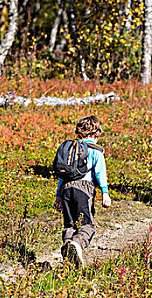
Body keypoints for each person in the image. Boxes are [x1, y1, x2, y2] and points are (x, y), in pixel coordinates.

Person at [53, 115, 111, 268]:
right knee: (87, 225)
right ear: (95, 134)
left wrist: (58, 195)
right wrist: (105, 192)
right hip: (83, 189)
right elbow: (100, 173)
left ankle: (68, 252)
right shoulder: (95, 150)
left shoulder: (71, 149)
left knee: (70, 224)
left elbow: (63, 174)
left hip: (65, 188)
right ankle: (77, 245)